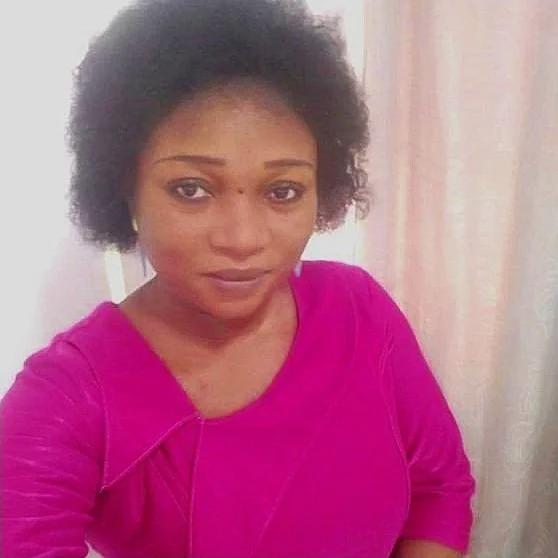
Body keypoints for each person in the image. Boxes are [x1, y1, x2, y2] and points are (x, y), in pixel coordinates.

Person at [0, 0, 475, 556]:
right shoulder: (67, 396)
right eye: (192, 189)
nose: (243, 239)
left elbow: (439, 490)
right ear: (124, 187)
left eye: (283, 191)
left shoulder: (357, 309)